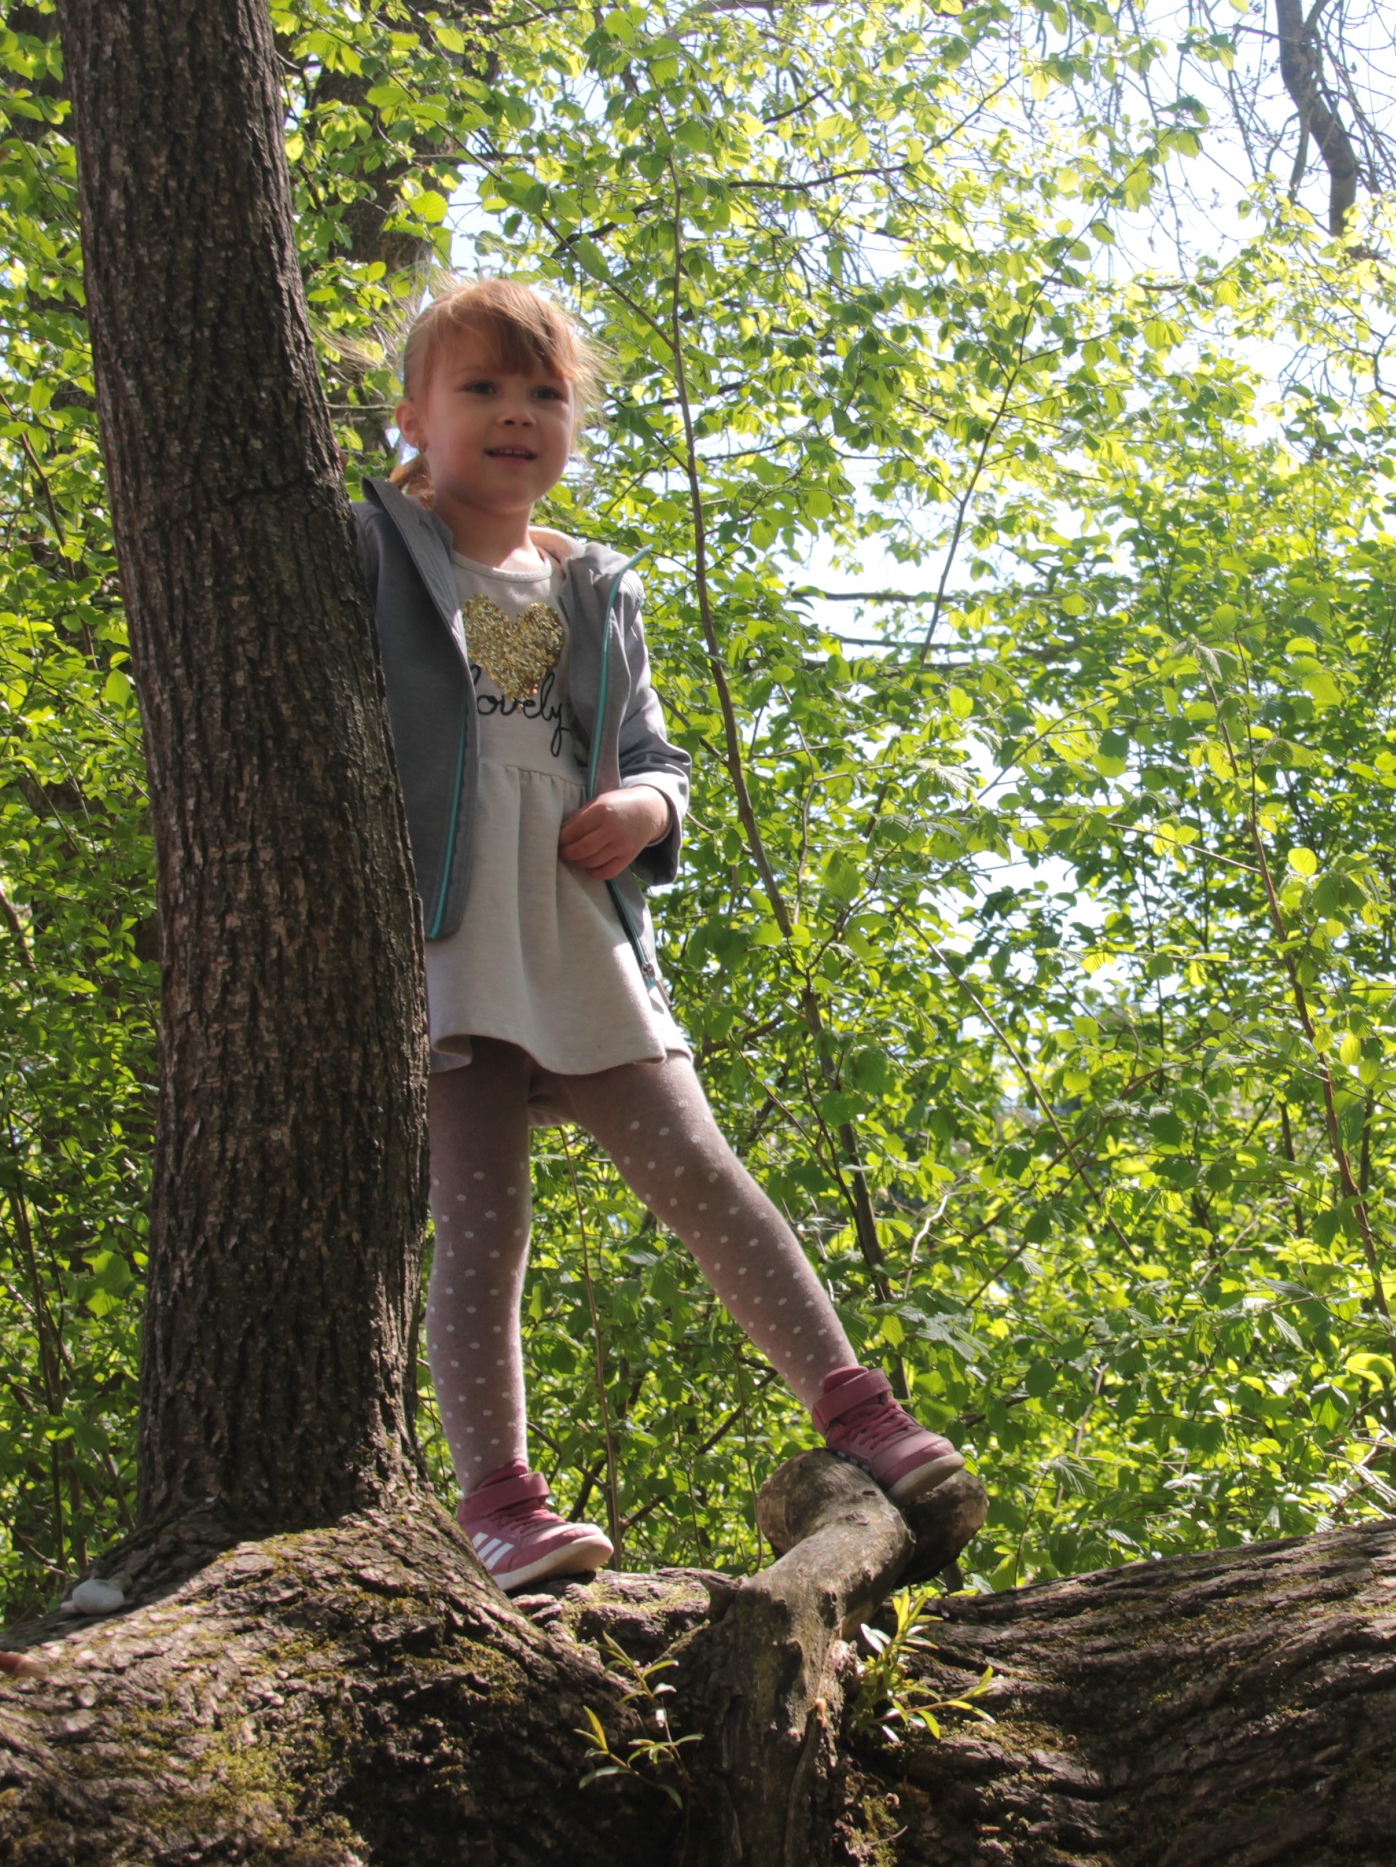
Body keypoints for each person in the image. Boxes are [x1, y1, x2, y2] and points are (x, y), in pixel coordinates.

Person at [355, 278, 963, 1589]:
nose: (516, 415)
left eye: (544, 394)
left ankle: (856, 1408)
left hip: (575, 924)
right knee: (482, 1222)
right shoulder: (377, 547)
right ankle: (500, 1503)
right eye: (481, 389)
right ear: (413, 416)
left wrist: (645, 805)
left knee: (698, 1167)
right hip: (449, 932)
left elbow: (650, 751)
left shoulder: (594, 584)